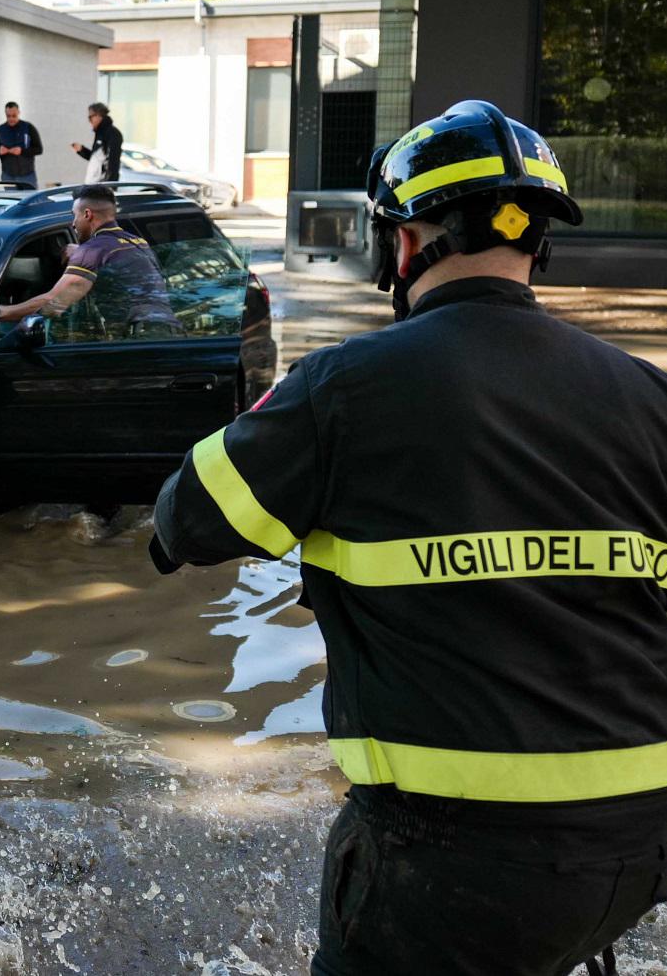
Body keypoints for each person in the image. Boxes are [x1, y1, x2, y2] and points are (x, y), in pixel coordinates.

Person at [149, 100, 667, 976]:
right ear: (536, 245)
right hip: (642, 838)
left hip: (455, 850)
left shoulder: (348, 386)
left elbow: (182, 521)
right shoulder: (647, 394)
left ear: (399, 245)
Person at [0, 186, 178, 336]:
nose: (73, 223)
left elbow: (54, 304)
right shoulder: (137, 242)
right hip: (168, 332)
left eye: (74, 215)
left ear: (87, 214)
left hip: (141, 336)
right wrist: (81, 253)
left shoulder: (92, 250)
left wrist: (0, 312)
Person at [0, 101, 44, 188]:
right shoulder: (0, 130)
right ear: (5, 114)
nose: (11, 119)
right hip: (8, 176)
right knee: (11, 201)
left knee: (31, 200)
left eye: (14, 116)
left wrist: (22, 151)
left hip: (27, 176)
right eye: (8, 116)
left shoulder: (28, 128)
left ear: (18, 113)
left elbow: (39, 149)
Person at [72, 101, 122, 183]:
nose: (89, 121)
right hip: (94, 183)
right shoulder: (100, 133)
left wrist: (110, 185)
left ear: (99, 115)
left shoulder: (112, 133)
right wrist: (82, 150)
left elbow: (113, 162)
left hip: (101, 185)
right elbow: (97, 158)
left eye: (90, 117)